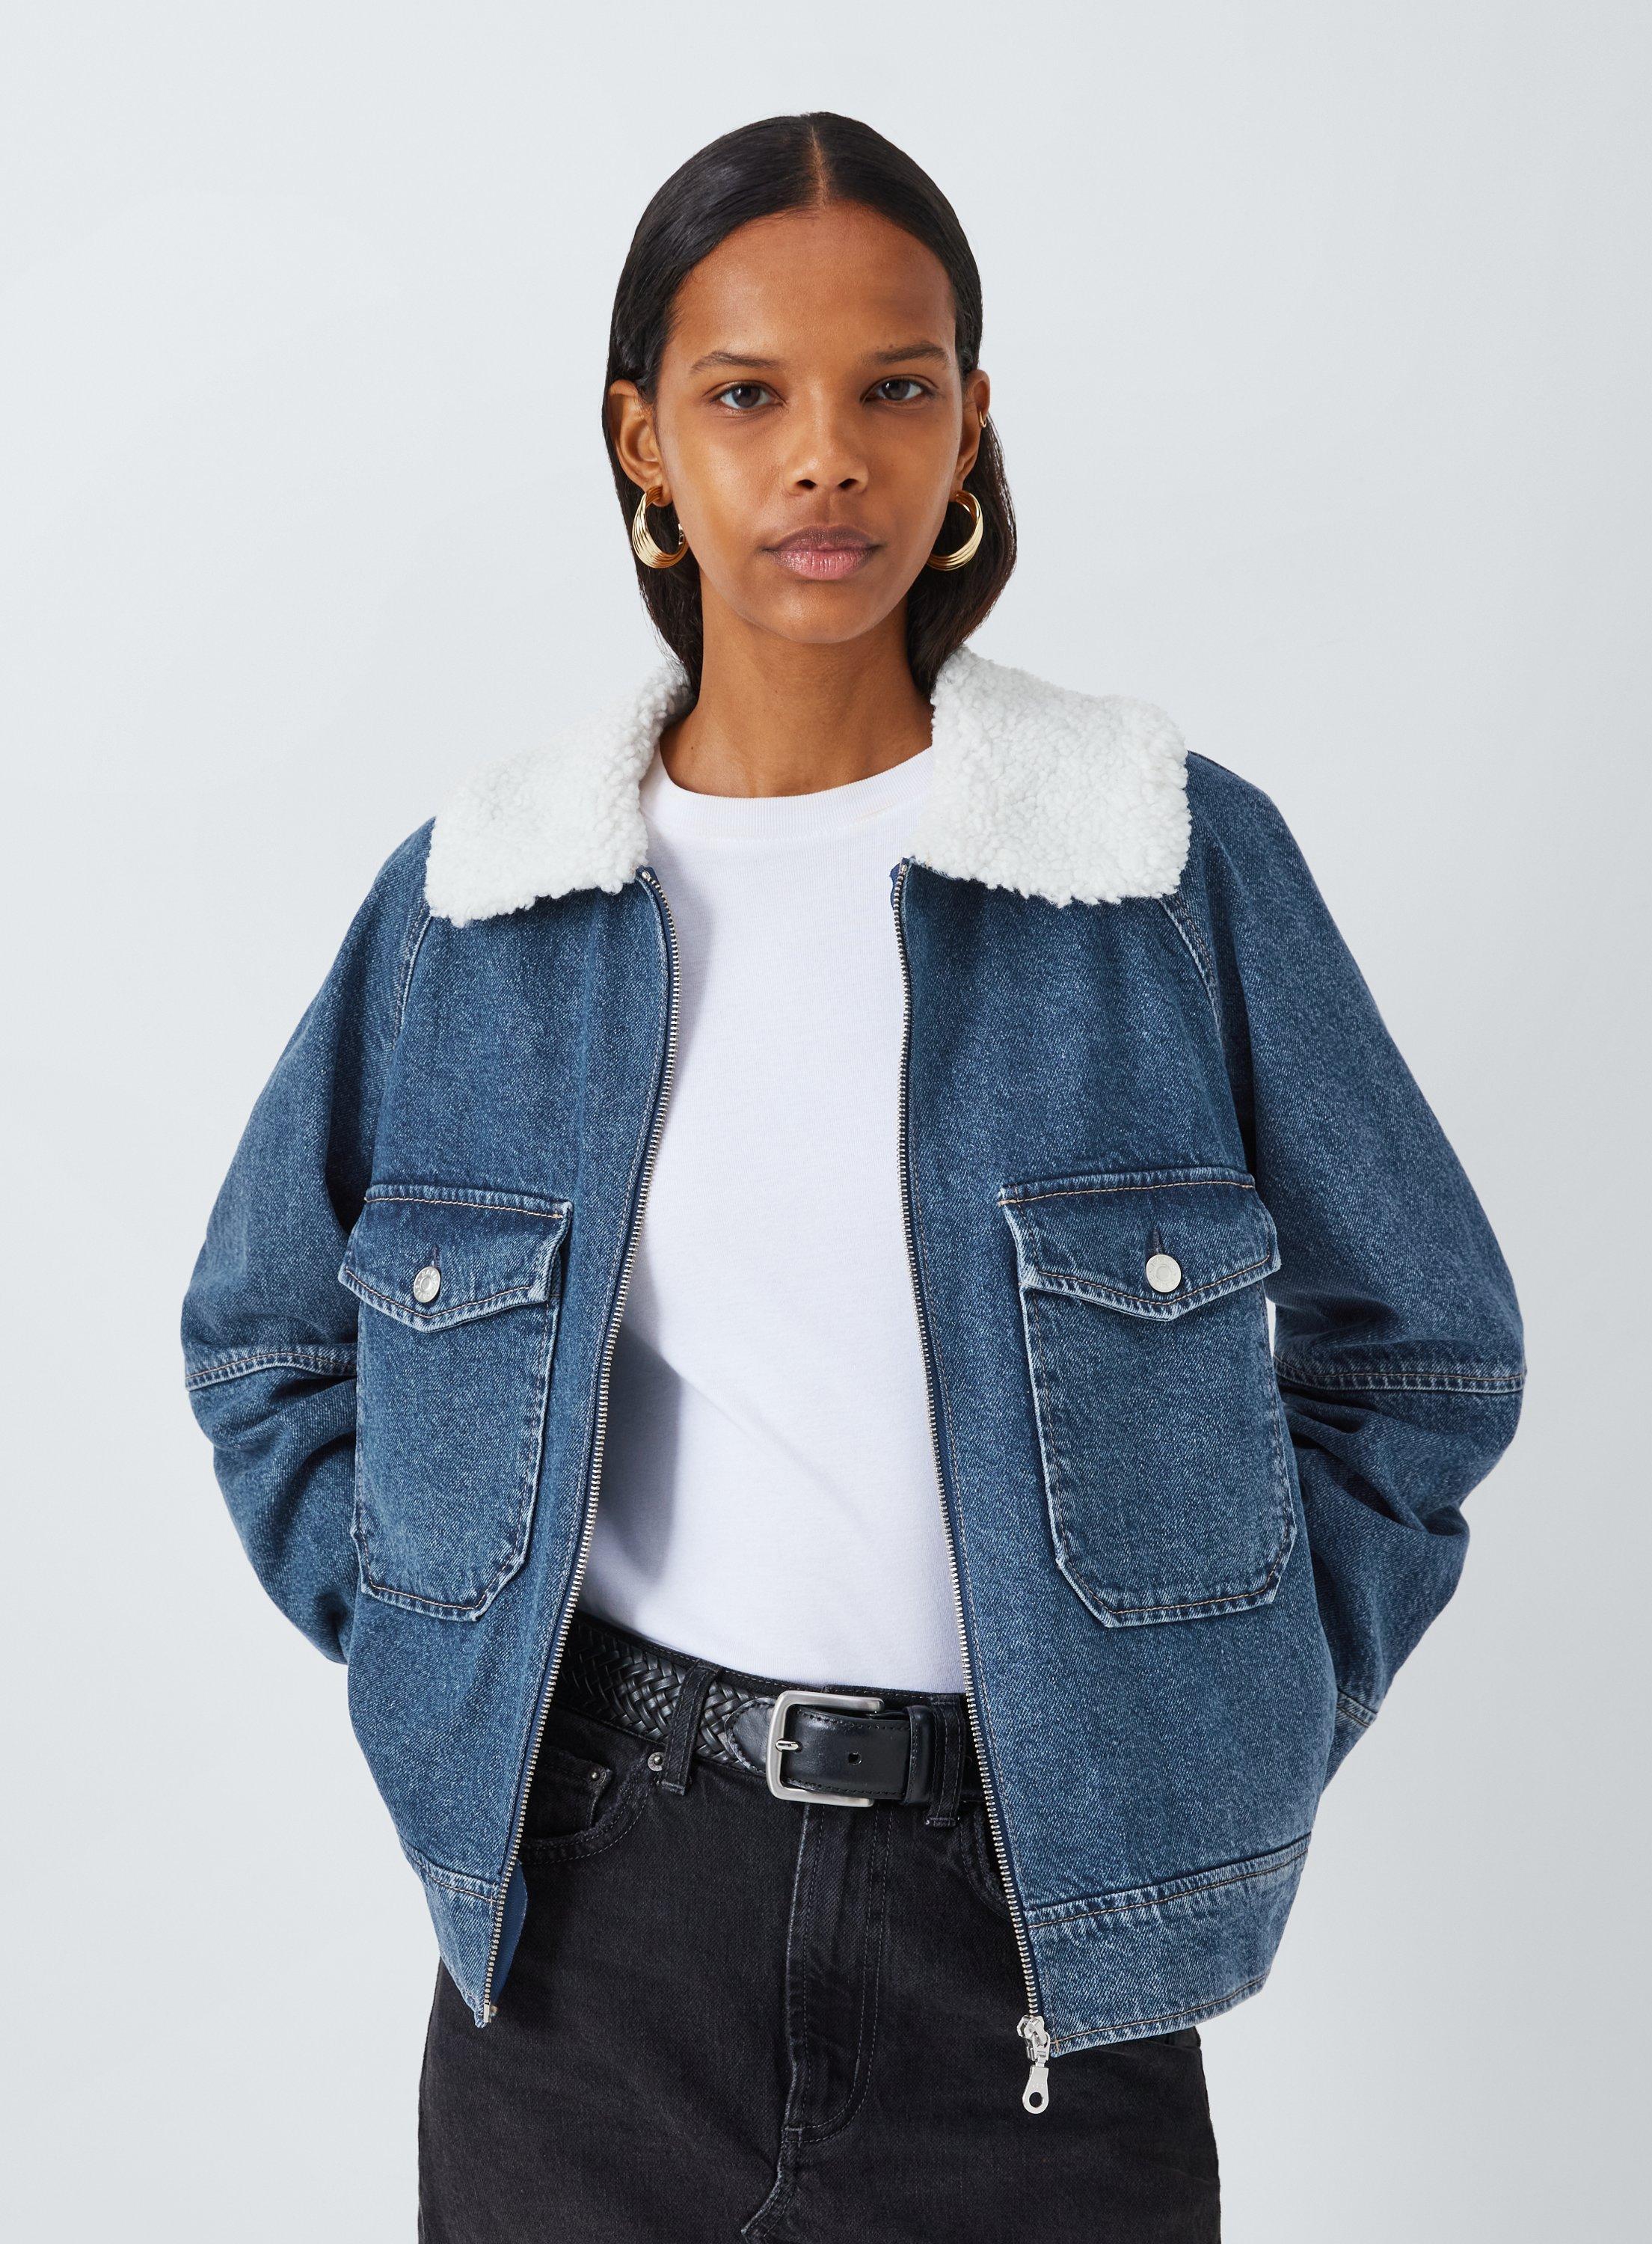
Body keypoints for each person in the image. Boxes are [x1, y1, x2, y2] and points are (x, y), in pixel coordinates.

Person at [179, 111, 1526, 2243]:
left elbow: (1418, 1356)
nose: (827, 460)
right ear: (643, 441)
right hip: (589, 1943)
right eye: (748, 397)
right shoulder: (486, 904)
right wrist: (448, 1650)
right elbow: (265, 1337)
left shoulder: (1156, 865)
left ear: (970, 425)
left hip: (1037, 1941)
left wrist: (1225, 1703)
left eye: (893, 389)